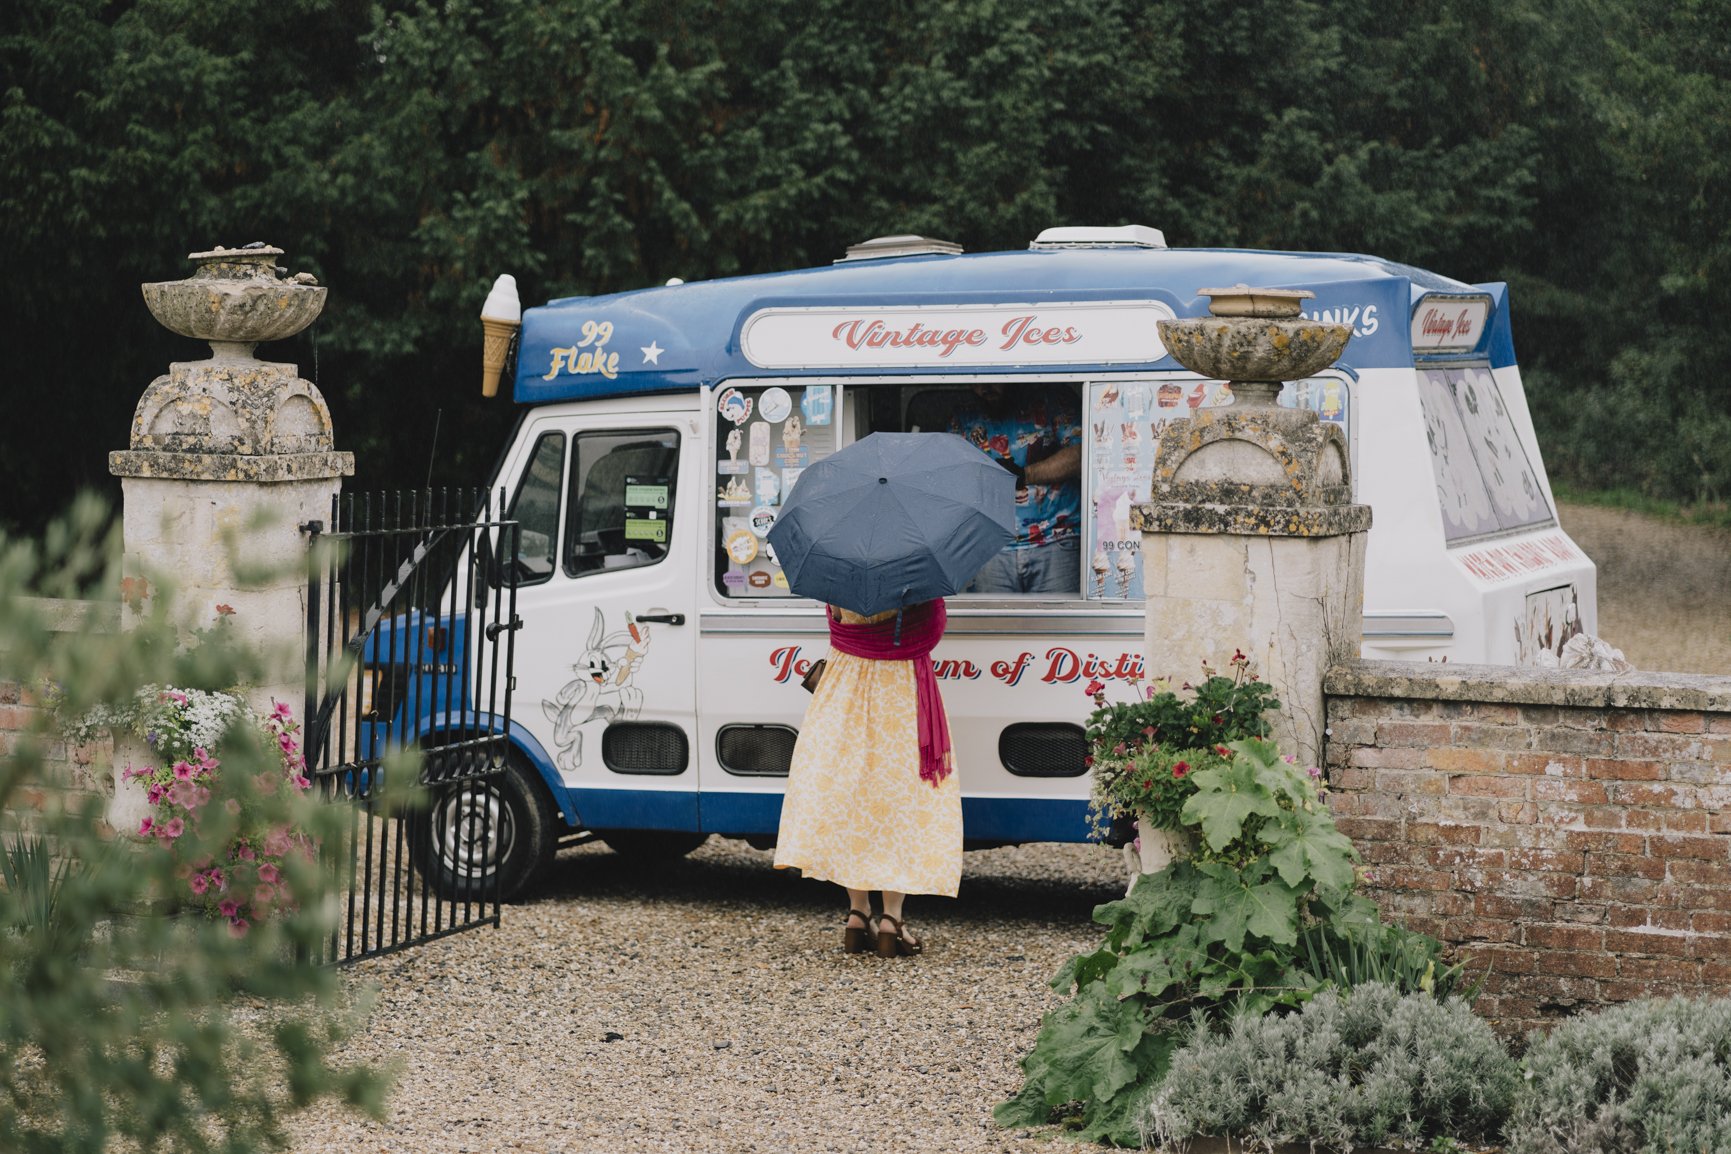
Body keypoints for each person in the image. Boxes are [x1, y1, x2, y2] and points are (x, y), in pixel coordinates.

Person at [773, 599, 961, 957]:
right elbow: (933, 629)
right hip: (901, 690)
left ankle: (858, 913)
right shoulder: (914, 570)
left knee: (851, 801)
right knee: (896, 802)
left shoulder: (838, 566)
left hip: (844, 686)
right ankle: (892, 920)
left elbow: (837, 623)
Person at [948, 382, 1082, 594]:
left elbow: (1081, 454)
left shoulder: (1051, 396)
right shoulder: (965, 412)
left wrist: (1025, 475)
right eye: (976, 382)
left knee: (1059, 626)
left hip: (1055, 539)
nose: (985, 387)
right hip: (990, 547)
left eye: (993, 379)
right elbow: (952, 472)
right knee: (995, 627)